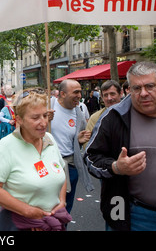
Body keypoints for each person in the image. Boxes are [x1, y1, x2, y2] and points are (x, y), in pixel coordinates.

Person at [85, 62, 156, 231]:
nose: (143, 93)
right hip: (133, 217)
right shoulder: (114, 117)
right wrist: (116, 167)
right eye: (136, 88)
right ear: (129, 90)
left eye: (149, 86)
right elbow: (91, 157)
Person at [0, 88, 70, 231]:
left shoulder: (50, 139)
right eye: (35, 117)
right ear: (19, 119)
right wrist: (27, 211)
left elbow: (61, 172)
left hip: (52, 222)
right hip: (18, 225)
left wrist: (61, 202)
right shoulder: (6, 146)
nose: (43, 123)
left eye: (45, 115)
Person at [50, 79, 94, 214]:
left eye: (80, 92)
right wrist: (42, 118)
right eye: (76, 92)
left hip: (70, 165)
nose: (79, 96)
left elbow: (75, 140)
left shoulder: (78, 113)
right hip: (48, 164)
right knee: (47, 205)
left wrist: (79, 141)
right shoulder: (48, 105)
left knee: (65, 209)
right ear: (62, 94)